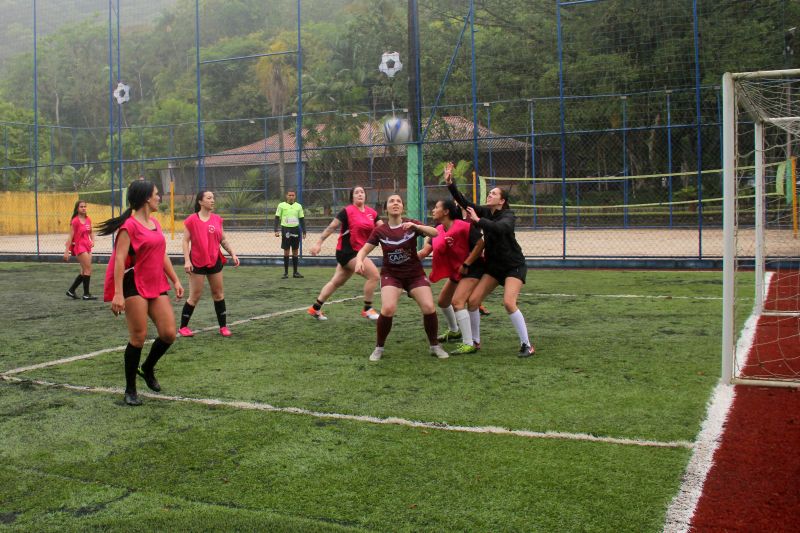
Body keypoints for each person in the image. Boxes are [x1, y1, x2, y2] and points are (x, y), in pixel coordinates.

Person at [98, 180, 185, 406]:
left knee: (169, 334)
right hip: (134, 283)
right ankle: (130, 389)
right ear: (147, 198)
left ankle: (146, 368)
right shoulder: (129, 227)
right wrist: (118, 294)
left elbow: (161, 254)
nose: (159, 198)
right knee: (138, 337)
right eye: (156, 194)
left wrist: (175, 279)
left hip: (156, 283)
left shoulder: (154, 223)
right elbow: (119, 260)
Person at [444, 162, 535, 357]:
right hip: (494, 267)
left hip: (513, 266)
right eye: (490, 193)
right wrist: (450, 184)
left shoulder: (508, 215)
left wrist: (478, 221)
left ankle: (526, 344)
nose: (490, 195)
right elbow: (464, 202)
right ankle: (475, 342)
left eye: (494, 193)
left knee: (508, 303)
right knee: (473, 301)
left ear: (502, 201)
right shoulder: (486, 212)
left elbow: (501, 228)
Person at [355, 194, 449, 361]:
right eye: (391, 201)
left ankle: (434, 345)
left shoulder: (411, 224)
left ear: (402, 207)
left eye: (398, 201)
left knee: (429, 307)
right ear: (386, 208)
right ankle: (379, 347)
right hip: (392, 275)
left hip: (414, 274)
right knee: (388, 309)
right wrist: (359, 261)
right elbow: (363, 250)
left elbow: (435, 233)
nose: (395, 203)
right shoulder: (380, 231)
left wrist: (416, 226)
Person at [417, 199, 485, 355]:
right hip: (457, 271)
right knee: (443, 301)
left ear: (446, 211)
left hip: (472, 268)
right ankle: (455, 331)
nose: (433, 210)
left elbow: (481, 243)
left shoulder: (463, 226)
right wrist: (406, 258)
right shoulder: (437, 230)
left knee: (457, 302)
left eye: (436, 207)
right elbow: (425, 251)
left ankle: (469, 344)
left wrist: (467, 263)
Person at [307, 185, 381, 321]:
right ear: (352, 197)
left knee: (336, 282)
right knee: (374, 276)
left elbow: (383, 229)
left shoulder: (372, 213)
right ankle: (367, 309)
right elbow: (332, 227)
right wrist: (318, 243)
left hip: (358, 253)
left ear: (365, 195)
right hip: (347, 252)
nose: (360, 194)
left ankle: (315, 308)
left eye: (362, 192)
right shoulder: (347, 211)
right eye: (356, 192)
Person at [179, 190, 240, 338]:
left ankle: (223, 327)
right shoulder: (192, 220)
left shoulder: (217, 219)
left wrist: (232, 253)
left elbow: (223, 240)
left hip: (214, 261)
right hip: (197, 262)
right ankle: (183, 327)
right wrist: (187, 260)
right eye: (209, 198)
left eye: (213, 198)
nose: (212, 200)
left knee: (218, 294)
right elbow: (185, 241)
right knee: (194, 296)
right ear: (200, 201)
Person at [63, 200, 98, 300]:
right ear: (77, 209)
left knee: (84, 271)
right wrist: (66, 251)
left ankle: (71, 291)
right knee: (88, 270)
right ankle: (86, 294)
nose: (83, 208)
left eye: (85, 206)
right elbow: (70, 237)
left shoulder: (88, 219)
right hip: (80, 247)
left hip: (87, 247)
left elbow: (91, 232)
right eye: (81, 207)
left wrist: (93, 241)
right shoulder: (75, 221)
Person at [274, 190, 306, 279]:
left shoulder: (298, 206)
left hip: (295, 230)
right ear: (286, 196)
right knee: (286, 251)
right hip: (286, 230)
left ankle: (295, 272)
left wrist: (304, 231)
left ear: (295, 196)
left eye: (293, 195)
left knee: (295, 251)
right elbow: (277, 218)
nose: (291, 197)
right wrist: (276, 230)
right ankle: (286, 273)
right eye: (289, 195)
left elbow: (302, 219)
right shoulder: (281, 205)